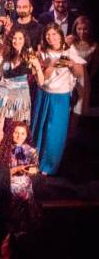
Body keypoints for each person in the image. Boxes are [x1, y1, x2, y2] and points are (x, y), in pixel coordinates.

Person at [31, 23, 85, 175]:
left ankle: (49, 166)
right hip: (43, 94)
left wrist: (71, 64)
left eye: (54, 34)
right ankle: (34, 162)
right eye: (48, 35)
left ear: (61, 36)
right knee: (39, 128)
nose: (51, 38)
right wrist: (53, 64)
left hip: (61, 97)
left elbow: (80, 73)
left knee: (55, 132)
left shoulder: (70, 51)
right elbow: (42, 78)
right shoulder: (42, 52)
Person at [0, 29, 43, 145]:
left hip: (19, 98)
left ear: (25, 40)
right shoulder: (6, 53)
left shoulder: (29, 56)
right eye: (14, 38)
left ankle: (10, 153)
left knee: (14, 131)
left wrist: (37, 66)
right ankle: (2, 150)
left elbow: (41, 82)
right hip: (2, 94)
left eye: (20, 38)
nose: (17, 41)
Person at [2, 122, 41, 235]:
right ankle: (12, 228)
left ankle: (22, 228)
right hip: (8, 180)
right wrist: (16, 169)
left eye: (22, 133)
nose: (19, 136)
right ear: (11, 133)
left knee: (24, 188)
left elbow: (35, 168)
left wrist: (33, 170)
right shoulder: (3, 148)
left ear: (26, 135)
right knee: (15, 190)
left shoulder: (31, 151)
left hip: (24, 181)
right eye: (16, 133)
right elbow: (0, 173)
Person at [69, 16, 97, 117]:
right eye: (79, 29)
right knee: (66, 108)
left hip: (82, 80)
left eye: (85, 29)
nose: (82, 32)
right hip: (67, 77)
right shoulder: (70, 41)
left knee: (77, 109)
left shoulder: (94, 45)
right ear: (75, 29)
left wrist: (86, 78)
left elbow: (95, 66)